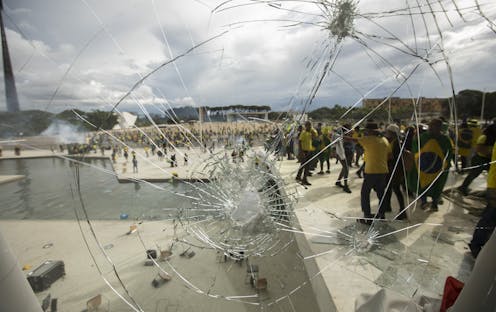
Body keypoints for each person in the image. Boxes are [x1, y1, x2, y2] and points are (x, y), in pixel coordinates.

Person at [407, 118, 453, 211]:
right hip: (424, 167)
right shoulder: (423, 137)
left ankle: (434, 203)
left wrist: (445, 165)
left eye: (434, 126)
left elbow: (449, 153)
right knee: (423, 184)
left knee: (437, 186)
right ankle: (424, 202)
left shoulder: (445, 139)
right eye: (430, 125)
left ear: (439, 127)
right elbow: (416, 150)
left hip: (438, 168)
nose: (431, 128)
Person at [355, 121, 391, 224]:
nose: (365, 132)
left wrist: (342, 136)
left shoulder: (369, 140)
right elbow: (389, 155)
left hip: (371, 171)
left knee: (365, 193)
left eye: (366, 131)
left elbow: (354, 140)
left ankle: (367, 217)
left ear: (370, 131)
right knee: (381, 193)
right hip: (383, 171)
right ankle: (381, 215)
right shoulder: (384, 140)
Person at [468, 139, 496, 258]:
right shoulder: (484, 137)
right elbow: (480, 148)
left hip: (493, 184)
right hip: (495, 186)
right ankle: (476, 245)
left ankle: (478, 245)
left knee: (490, 217)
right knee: (490, 217)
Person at [458, 124, 496, 195]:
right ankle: (463, 187)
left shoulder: (493, 137)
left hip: (489, 159)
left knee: (492, 177)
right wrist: (490, 154)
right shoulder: (484, 137)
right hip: (480, 159)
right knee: (473, 174)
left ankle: (491, 191)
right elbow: (479, 149)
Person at [383, 124, 407, 220]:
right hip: (391, 169)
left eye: (388, 131)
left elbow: (396, 158)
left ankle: (403, 211)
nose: (386, 133)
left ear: (392, 133)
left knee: (396, 189)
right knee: (388, 187)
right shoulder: (394, 141)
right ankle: (387, 206)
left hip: (395, 170)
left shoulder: (397, 143)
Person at [296, 121, 317, 186]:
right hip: (304, 151)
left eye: (310, 125)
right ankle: (302, 178)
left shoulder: (310, 133)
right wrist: (301, 152)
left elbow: (315, 136)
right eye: (308, 125)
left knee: (305, 166)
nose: (310, 126)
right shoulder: (303, 133)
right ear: (306, 126)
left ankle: (301, 178)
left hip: (309, 151)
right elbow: (299, 142)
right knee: (304, 165)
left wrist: (313, 131)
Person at [332, 125, 351, 193]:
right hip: (340, 153)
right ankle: (345, 186)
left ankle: (338, 181)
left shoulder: (342, 135)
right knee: (346, 169)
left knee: (345, 168)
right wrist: (334, 153)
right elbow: (334, 144)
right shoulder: (338, 135)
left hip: (342, 153)